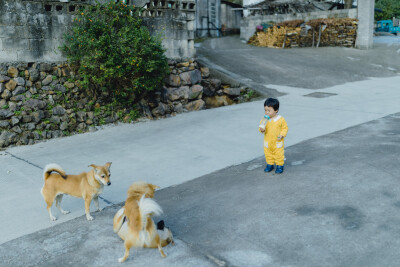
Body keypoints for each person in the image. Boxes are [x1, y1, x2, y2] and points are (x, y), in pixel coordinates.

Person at [259, 98, 288, 174]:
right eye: (265, 110)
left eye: (269, 110)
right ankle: (270, 164)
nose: (267, 112)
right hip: (268, 141)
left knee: (278, 154)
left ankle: (279, 165)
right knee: (268, 153)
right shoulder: (264, 119)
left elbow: (285, 128)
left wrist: (282, 135)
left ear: (276, 110)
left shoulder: (280, 119)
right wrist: (261, 129)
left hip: (277, 141)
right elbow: (261, 127)